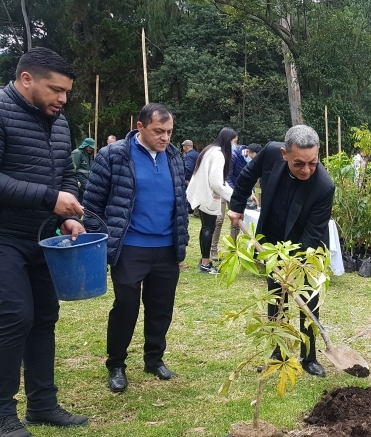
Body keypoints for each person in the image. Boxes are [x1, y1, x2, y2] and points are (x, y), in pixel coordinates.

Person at [0, 47, 88, 437]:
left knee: (44, 318)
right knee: (15, 317)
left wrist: (67, 211)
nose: (62, 99)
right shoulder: (1, 112)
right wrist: (50, 198)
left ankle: (42, 404)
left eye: (66, 92)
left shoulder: (60, 122)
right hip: (4, 237)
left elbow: (67, 174)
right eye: (56, 90)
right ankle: (3, 415)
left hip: (43, 238)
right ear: (26, 80)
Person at [84, 103, 189, 393]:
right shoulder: (113, 155)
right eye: (159, 131)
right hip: (130, 246)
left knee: (161, 307)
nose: (165, 138)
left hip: (166, 247)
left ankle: (154, 360)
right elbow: (93, 204)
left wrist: (181, 240)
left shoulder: (173, 157)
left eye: (169, 132)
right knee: (126, 307)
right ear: (140, 127)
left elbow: (180, 202)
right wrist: (97, 243)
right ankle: (116, 364)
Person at [228, 125, 334, 378]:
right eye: (299, 164)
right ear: (285, 154)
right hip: (273, 242)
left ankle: (309, 357)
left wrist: (294, 268)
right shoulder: (270, 153)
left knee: (309, 302)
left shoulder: (324, 186)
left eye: (313, 163)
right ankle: (278, 352)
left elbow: (312, 233)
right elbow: (245, 178)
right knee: (277, 298)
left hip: (308, 248)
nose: (307, 170)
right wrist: (236, 206)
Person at [186, 127, 237, 274]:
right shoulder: (219, 154)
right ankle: (205, 264)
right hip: (207, 195)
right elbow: (216, 183)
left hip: (202, 193)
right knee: (209, 227)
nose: (234, 145)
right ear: (228, 140)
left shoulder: (210, 149)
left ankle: (204, 260)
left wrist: (235, 194)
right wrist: (233, 197)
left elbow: (219, 180)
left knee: (206, 227)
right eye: (234, 142)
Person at [70, 137, 95, 202]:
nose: (91, 149)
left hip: (87, 179)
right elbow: (73, 168)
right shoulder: (77, 153)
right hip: (80, 179)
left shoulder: (88, 155)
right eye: (90, 147)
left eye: (92, 148)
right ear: (85, 145)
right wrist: (76, 180)